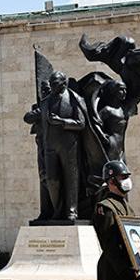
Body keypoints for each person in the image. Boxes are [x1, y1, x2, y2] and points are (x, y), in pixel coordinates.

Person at [40, 71, 86, 220]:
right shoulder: (45, 102)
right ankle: (57, 210)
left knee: (71, 178)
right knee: (52, 180)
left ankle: (72, 210)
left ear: (64, 83)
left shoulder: (74, 99)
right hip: (50, 147)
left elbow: (81, 123)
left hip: (69, 146)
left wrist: (62, 121)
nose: (52, 87)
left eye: (56, 84)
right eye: (51, 84)